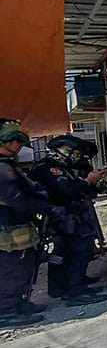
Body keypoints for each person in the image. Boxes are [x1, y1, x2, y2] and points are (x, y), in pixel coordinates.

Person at [30, 135, 107, 306]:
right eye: (76, 152)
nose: (78, 156)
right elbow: (68, 190)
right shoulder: (50, 168)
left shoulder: (63, 167)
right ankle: (75, 292)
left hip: (68, 218)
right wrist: (87, 181)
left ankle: (69, 287)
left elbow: (84, 191)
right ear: (65, 149)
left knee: (69, 254)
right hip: (62, 219)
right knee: (76, 253)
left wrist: (92, 182)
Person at [0, 119, 52, 327]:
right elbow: (16, 198)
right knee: (10, 270)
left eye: (19, 140)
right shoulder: (2, 169)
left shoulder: (8, 165)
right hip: (6, 230)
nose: (16, 145)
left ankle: (19, 303)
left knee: (24, 267)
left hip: (17, 227)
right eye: (11, 140)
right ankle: (5, 312)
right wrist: (45, 206)